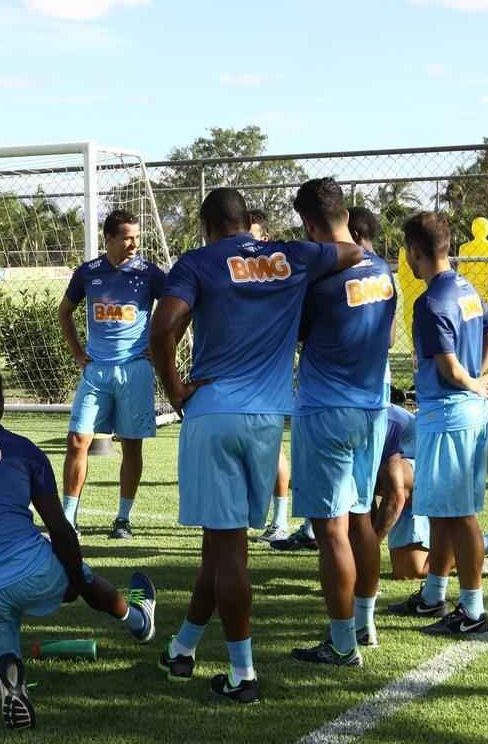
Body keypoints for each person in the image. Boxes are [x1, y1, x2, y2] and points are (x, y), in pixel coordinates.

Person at [149, 187, 360, 703]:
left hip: (213, 411)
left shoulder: (197, 262)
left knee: (229, 551)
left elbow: (162, 328)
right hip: (268, 420)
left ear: (206, 227)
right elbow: (352, 251)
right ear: (248, 220)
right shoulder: (291, 255)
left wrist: (174, 388)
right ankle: (182, 648)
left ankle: (242, 674)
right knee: (220, 544)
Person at [0, 364, 156, 730]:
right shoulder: (22, 450)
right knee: (90, 582)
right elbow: (59, 528)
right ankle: (139, 621)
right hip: (36, 571)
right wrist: (75, 579)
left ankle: (2, 677)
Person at [289, 180, 396, 668]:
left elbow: (296, 334)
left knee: (330, 529)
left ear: (309, 225)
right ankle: (364, 623)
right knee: (359, 519)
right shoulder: (383, 270)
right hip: (372, 409)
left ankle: (340, 643)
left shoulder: (318, 283)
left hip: (326, 411)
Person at [386, 212, 488, 637]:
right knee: (439, 508)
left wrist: (472, 381)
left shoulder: (431, 301)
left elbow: (450, 368)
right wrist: (479, 377)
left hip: (450, 413)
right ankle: (434, 595)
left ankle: (473, 610)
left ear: (415, 252)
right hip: (459, 411)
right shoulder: (466, 287)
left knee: (461, 515)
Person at [59, 210, 166, 540]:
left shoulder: (150, 273)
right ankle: (67, 521)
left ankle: (122, 519)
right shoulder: (88, 272)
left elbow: (180, 309)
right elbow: (64, 311)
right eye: (127, 238)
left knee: (131, 446)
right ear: (108, 239)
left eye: (137, 237)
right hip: (96, 372)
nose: (134, 244)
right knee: (77, 440)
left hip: (135, 370)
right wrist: (78, 353)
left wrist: (162, 346)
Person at [374, 404, 488, 581]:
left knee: (392, 476)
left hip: (426, 472)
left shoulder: (377, 417)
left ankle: (487, 544)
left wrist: (365, 551)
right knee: (412, 569)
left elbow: (395, 493)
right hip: (401, 481)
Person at [247, 211, 294, 545]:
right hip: (239, 370)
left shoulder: (277, 270)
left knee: (272, 445)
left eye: (251, 235)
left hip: (267, 370)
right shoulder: (234, 268)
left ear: (265, 239)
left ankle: (280, 521)